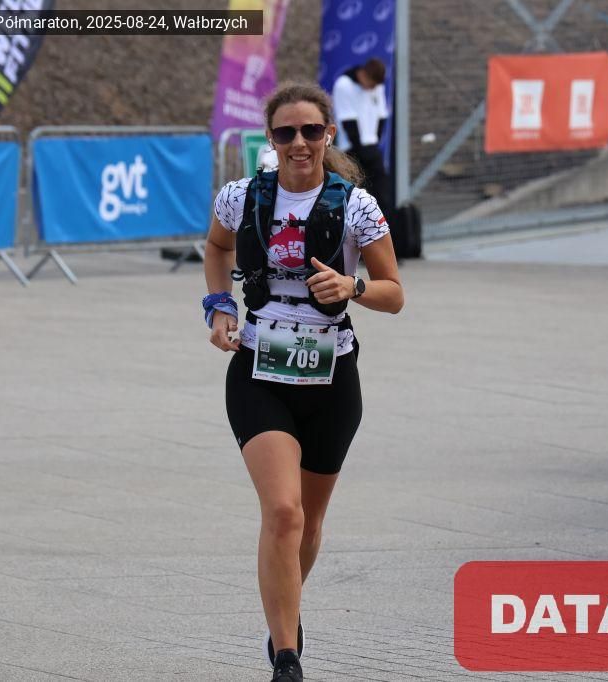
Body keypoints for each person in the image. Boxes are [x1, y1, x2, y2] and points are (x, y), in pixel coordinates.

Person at [202, 82, 404, 682]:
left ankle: (282, 613)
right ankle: (287, 658)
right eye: (286, 132)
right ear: (270, 137)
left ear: (328, 135)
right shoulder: (241, 197)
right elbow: (216, 248)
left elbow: (394, 293)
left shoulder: (356, 206)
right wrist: (220, 306)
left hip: (332, 376)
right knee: (284, 513)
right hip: (259, 371)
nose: (299, 143)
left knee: (309, 524)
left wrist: (353, 287)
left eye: (310, 131)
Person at [332, 58, 392, 220]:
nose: (372, 89)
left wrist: (374, 143)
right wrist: (360, 148)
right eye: (370, 84)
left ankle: (384, 226)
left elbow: (381, 115)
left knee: (381, 194)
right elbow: (347, 119)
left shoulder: (377, 87)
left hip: (371, 148)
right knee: (357, 195)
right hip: (351, 149)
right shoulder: (344, 85)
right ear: (363, 75)